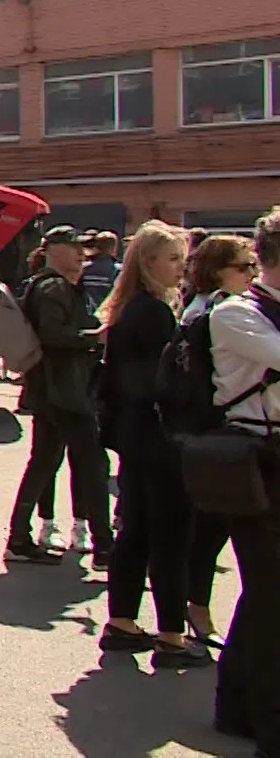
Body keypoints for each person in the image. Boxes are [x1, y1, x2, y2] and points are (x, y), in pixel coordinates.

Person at [94, 221, 212, 667]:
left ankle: (123, 622)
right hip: (159, 440)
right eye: (174, 258)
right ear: (148, 262)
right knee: (171, 536)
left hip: (134, 437)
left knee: (137, 532)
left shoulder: (129, 308)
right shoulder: (154, 313)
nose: (181, 268)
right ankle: (171, 636)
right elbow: (167, 385)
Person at [209, 207, 280, 753]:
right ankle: (266, 722)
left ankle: (234, 706)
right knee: (270, 591)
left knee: (263, 593)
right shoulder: (237, 313)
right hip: (257, 455)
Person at [4, 226, 113, 565]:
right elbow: (52, 334)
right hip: (64, 390)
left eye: (84, 249)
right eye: (74, 248)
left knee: (45, 463)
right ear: (50, 250)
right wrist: (94, 337)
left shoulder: (52, 284)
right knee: (93, 465)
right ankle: (105, 547)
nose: (82, 254)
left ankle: (19, 538)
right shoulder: (53, 286)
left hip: (52, 389)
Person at [180, 234, 258, 645]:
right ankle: (195, 609)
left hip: (218, 434)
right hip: (215, 435)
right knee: (209, 531)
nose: (252, 273)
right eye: (243, 266)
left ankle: (194, 608)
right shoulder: (214, 311)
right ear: (218, 270)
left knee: (213, 531)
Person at [83, 230, 123, 314]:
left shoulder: (82, 269)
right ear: (113, 248)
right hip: (107, 316)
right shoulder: (118, 270)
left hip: (85, 315)